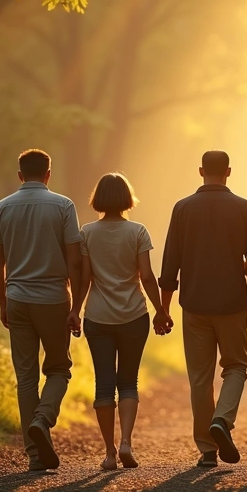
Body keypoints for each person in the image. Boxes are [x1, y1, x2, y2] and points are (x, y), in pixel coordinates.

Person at [158, 150, 247, 467]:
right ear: (229, 171)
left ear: (201, 170)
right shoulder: (243, 208)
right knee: (236, 367)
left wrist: (164, 309)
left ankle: (206, 449)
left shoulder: (183, 208)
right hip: (232, 302)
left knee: (200, 378)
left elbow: (170, 261)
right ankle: (222, 420)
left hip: (195, 302)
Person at [0, 149, 83, 472]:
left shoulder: (2, 208)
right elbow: (74, 260)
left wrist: (3, 302)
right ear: (48, 174)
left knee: (25, 377)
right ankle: (42, 419)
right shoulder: (63, 206)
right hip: (54, 298)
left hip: (17, 298)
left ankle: (34, 456)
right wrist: (77, 305)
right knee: (58, 368)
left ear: (19, 175)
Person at [74, 173, 170, 471]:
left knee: (104, 384)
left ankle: (109, 453)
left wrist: (74, 311)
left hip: (98, 317)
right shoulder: (138, 231)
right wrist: (161, 310)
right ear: (127, 198)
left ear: (98, 198)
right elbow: (146, 276)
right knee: (128, 381)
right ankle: (127, 441)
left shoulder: (87, 233)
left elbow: (85, 278)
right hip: (133, 316)